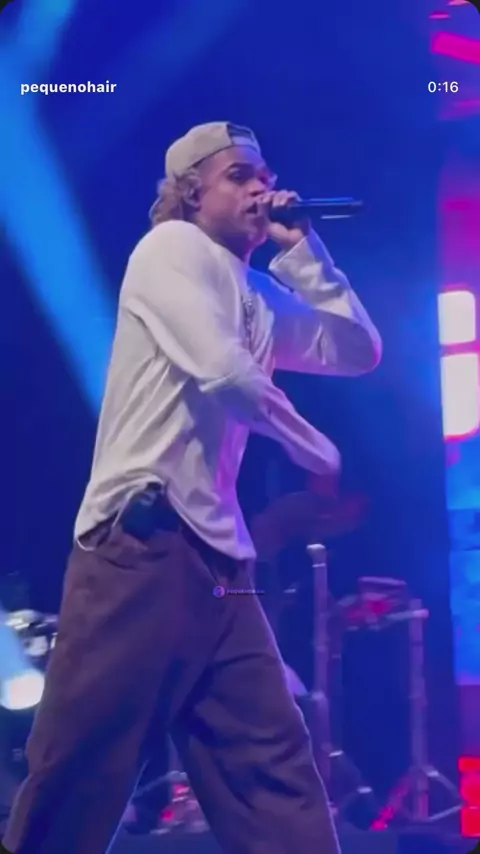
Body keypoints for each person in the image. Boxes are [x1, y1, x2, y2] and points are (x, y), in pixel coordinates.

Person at [2, 121, 381, 854]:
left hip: (218, 561)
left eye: (264, 175)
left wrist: (307, 255)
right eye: (239, 175)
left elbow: (357, 350)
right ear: (189, 192)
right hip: (140, 545)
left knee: (271, 768)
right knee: (82, 767)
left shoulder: (257, 292)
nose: (260, 187)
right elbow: (223, 371)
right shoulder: (171, 249)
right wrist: (316, 449)